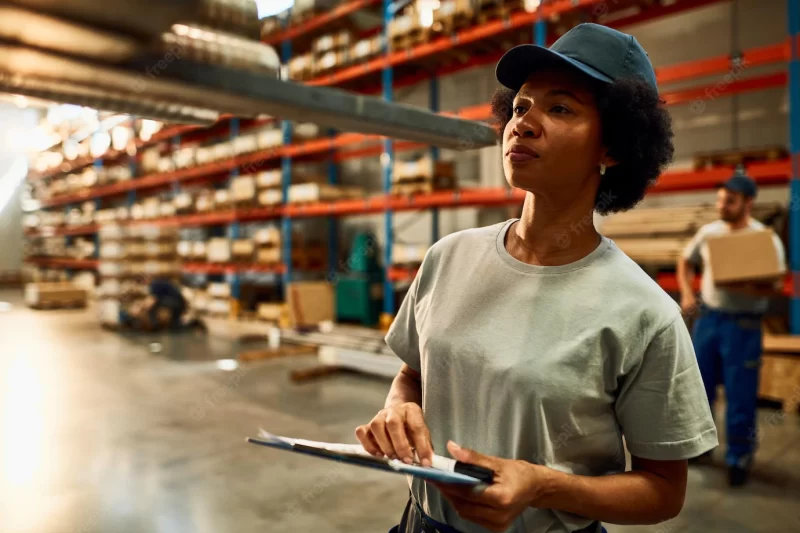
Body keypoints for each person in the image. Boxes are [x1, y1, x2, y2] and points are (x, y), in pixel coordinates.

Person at [356, 23, 718, 533]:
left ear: (612, 147)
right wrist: (398, 410)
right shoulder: (449, 257)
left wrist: (544, 485)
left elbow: (663, 489)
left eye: (561, 108)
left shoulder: (644, 314)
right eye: (521, 106)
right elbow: (414, 374)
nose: (524, 123)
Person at [677, 173, 786, 486]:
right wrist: (686, 292)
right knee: (700, 389)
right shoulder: (709, 233)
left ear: (747, 203)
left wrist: (748, 285)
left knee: (740, 396)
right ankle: (701, 447)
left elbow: (775, 285)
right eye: (721, 199)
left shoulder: (764, 238)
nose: (722, 205)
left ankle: (739, 456)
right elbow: (685, 259)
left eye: (730, 201)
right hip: (709, 321)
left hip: (744, 325)